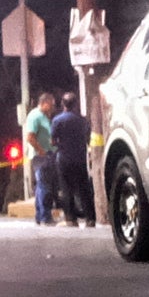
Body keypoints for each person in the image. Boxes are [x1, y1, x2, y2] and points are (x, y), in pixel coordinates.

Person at [47, 96, 90, 227]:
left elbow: (52, 141)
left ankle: (71, 219)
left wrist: (60, 144)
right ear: (76, 104)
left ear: (62, 104)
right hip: (80, 157)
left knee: (66, 189)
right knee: (83, 188)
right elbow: (88, 137)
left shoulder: (57, 120)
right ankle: (90, 218)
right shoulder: (82, 120)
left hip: (64, 158)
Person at [22, 91, 55, 226]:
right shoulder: (35, 116)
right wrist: (41, 150)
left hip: (46, 154)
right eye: (51, 104)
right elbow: (30, 137)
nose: (52, 107)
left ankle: (40, 215)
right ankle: (45, 217)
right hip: (40, 156)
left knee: (42, 185)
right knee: (45, 186)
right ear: (44, 103)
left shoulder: (44, 116)